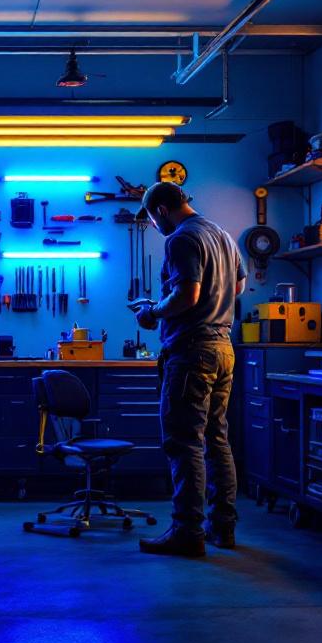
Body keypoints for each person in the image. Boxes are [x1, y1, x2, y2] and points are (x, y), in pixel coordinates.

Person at [130, 182, 245, 557]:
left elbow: (187, 295)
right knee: (216, 439)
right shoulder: (222, 236)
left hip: (192, 351)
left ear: (161, 210)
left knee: (184, 442)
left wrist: (153, 312)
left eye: (152, 219)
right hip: (223, 347)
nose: (155, 226)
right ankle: (223, 528)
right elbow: (238, 286)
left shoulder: (180, 238)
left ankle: (187, 532)